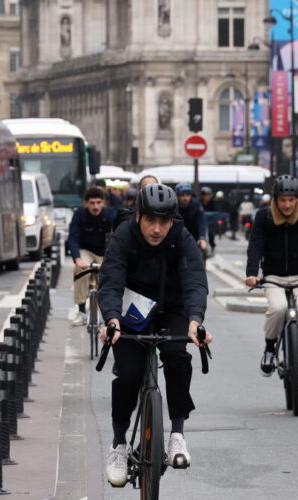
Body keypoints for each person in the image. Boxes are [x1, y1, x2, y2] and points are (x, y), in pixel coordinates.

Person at [98, 184, 212, 486]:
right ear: (139, 217)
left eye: (164, 222)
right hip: (131, 311)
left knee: (177, 356)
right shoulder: (124, 235)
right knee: (128, 375)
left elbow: (195, 281)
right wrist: (111, 320)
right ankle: (119, 444)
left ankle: (177, 434)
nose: (157, 229)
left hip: (171, 308)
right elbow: (110, 282)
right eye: (151, 220)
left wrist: (195, 321)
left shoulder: (181, 237)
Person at [245, 175, 298, 386]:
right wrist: (252, 274)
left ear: (297, 199)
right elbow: (256, 245)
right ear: (275, 199)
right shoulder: (264, 217)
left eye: (291, 199)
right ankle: (270, 348)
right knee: (277, 309)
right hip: (274, 276)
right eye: (283, 200)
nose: (287, 204)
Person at [69, 187, 113, 326]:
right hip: (85, 250)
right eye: (92, 203)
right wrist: (78, 259)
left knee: (112, 274)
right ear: (85, 203)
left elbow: (114, 238)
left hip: (103, 251)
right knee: (80, 271)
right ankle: (81, 311)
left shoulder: (109, 215)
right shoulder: (79, 214)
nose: (95, 206)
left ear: (103, 203)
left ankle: (109, 313)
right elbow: (73, 238)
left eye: (98, 202)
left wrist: (111, 258)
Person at [175, 183, 208, 252]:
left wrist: (202, 238)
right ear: (177, 196)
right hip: (177, 236)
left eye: (187, 195)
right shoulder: (173, 206)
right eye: (182, 195)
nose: (185, 198)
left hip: (194, 235)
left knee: (202, 251)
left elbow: (202, 221)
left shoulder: (196, 205)